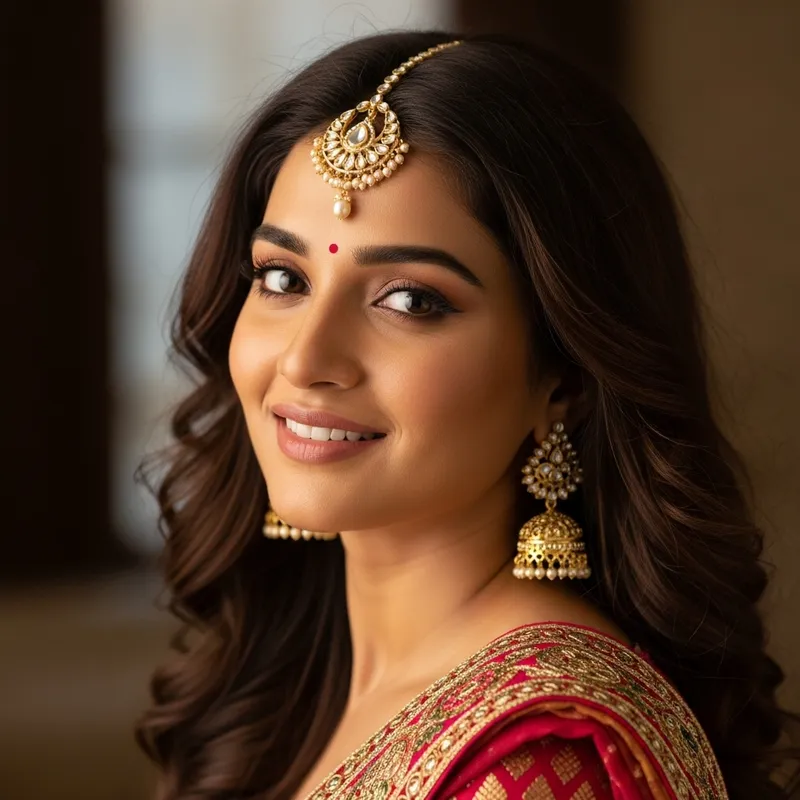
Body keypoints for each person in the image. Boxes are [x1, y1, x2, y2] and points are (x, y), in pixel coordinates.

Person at [135, 31, 799, 800]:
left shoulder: (540, 761)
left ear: (565, 381)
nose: (305, 360)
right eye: (283, 278)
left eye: (410, 300)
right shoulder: (288, 682)